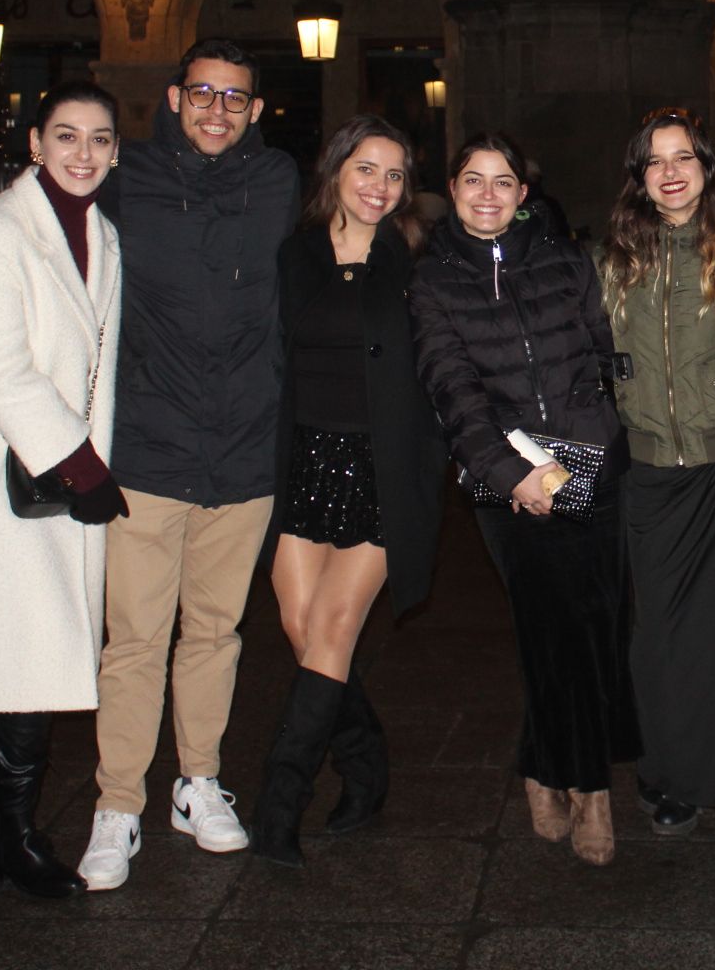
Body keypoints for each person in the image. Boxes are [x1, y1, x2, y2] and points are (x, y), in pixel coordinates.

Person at [77, 39, 300, 890]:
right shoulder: (125, 176)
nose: (217, 110)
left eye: (234, 99)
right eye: (202, 94)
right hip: (148, 449)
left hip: (244, 450)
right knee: (133, 638)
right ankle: (117, 803)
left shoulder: (277, 180)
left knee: (214, 631)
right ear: (172, 98)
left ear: (254, 110)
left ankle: (197, 781)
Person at [410, 132, 636, 866]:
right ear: (452, 187)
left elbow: (603, 354)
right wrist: (516, 475)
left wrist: (599, 438)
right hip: (503, 480)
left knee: (597, 627)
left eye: (501, 182)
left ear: (523, 191)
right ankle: (589, 788)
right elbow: (453, 390)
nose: (486, 195)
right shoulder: (434, 278)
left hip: (590, 464)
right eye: (472, 181)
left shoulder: (565, 258)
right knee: (550, 631)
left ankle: (544, 764)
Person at [0, 81, 128, 900]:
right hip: (13, 479)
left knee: (41, 648)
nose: (83, 154)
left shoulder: (103, 232)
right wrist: (81, 467)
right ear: (35, 146)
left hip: (60, 474)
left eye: (100, 139)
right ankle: (13, 833)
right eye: (67, 137)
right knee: (31, 655)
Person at [248, 117, 446, 867]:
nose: (380, 187)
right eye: (367, 169)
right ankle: (366, 763)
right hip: (301, 461)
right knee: (302, 628)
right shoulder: (294, 254)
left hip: (381, 468)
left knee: (332, 628)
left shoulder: (418, 260)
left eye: (395, 175)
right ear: (335, 169)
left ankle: (279, 805)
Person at [599, 108, 715, 837]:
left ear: (707, 167)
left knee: (714, 624)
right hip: (649, 466)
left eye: (684, 158)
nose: (670, 173)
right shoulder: (615, 257)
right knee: (659, 630)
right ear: (640, 177)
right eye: (654, 161)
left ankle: (685, 777)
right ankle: (681, 757)